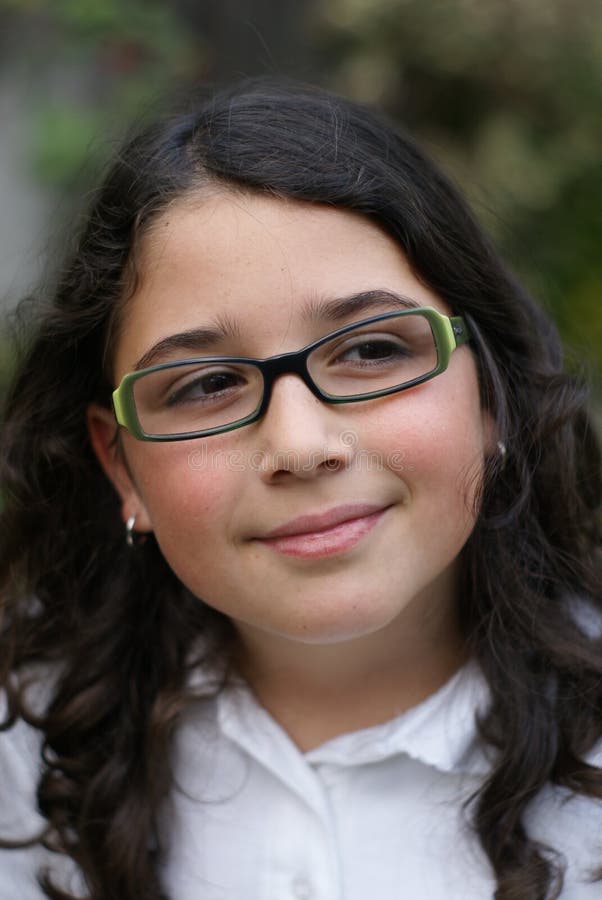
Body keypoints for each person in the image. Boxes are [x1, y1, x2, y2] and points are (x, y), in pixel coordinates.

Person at [0, 77, 600, 900]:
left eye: (371, 349)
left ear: (490, 393)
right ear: (121, 466)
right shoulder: (24, 753)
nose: (299, 445)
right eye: (207, 383)